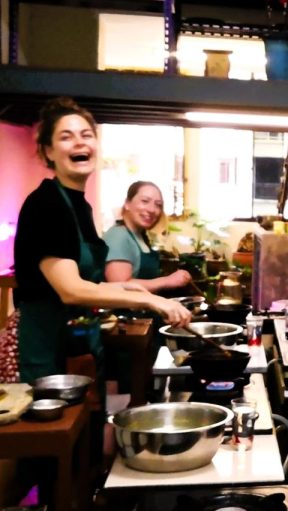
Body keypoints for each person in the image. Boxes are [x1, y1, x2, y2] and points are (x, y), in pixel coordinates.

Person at [13, 97, 192, 384]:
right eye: (66, 137)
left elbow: (88, 282)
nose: (80, 143)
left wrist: (129, 287)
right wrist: (151, 300)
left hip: (78, 344)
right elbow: (71, 290)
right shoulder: (46, 205)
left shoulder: (79, 206)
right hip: (46, 350)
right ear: (49, 151)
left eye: (86, 135)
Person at [104, 181, 192, 292]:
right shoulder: (118, 236)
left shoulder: (140, 236)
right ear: (127, 203)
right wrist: (167, 281)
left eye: (158, 205)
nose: (152, 209)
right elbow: (120, 286)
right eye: (145, 201)